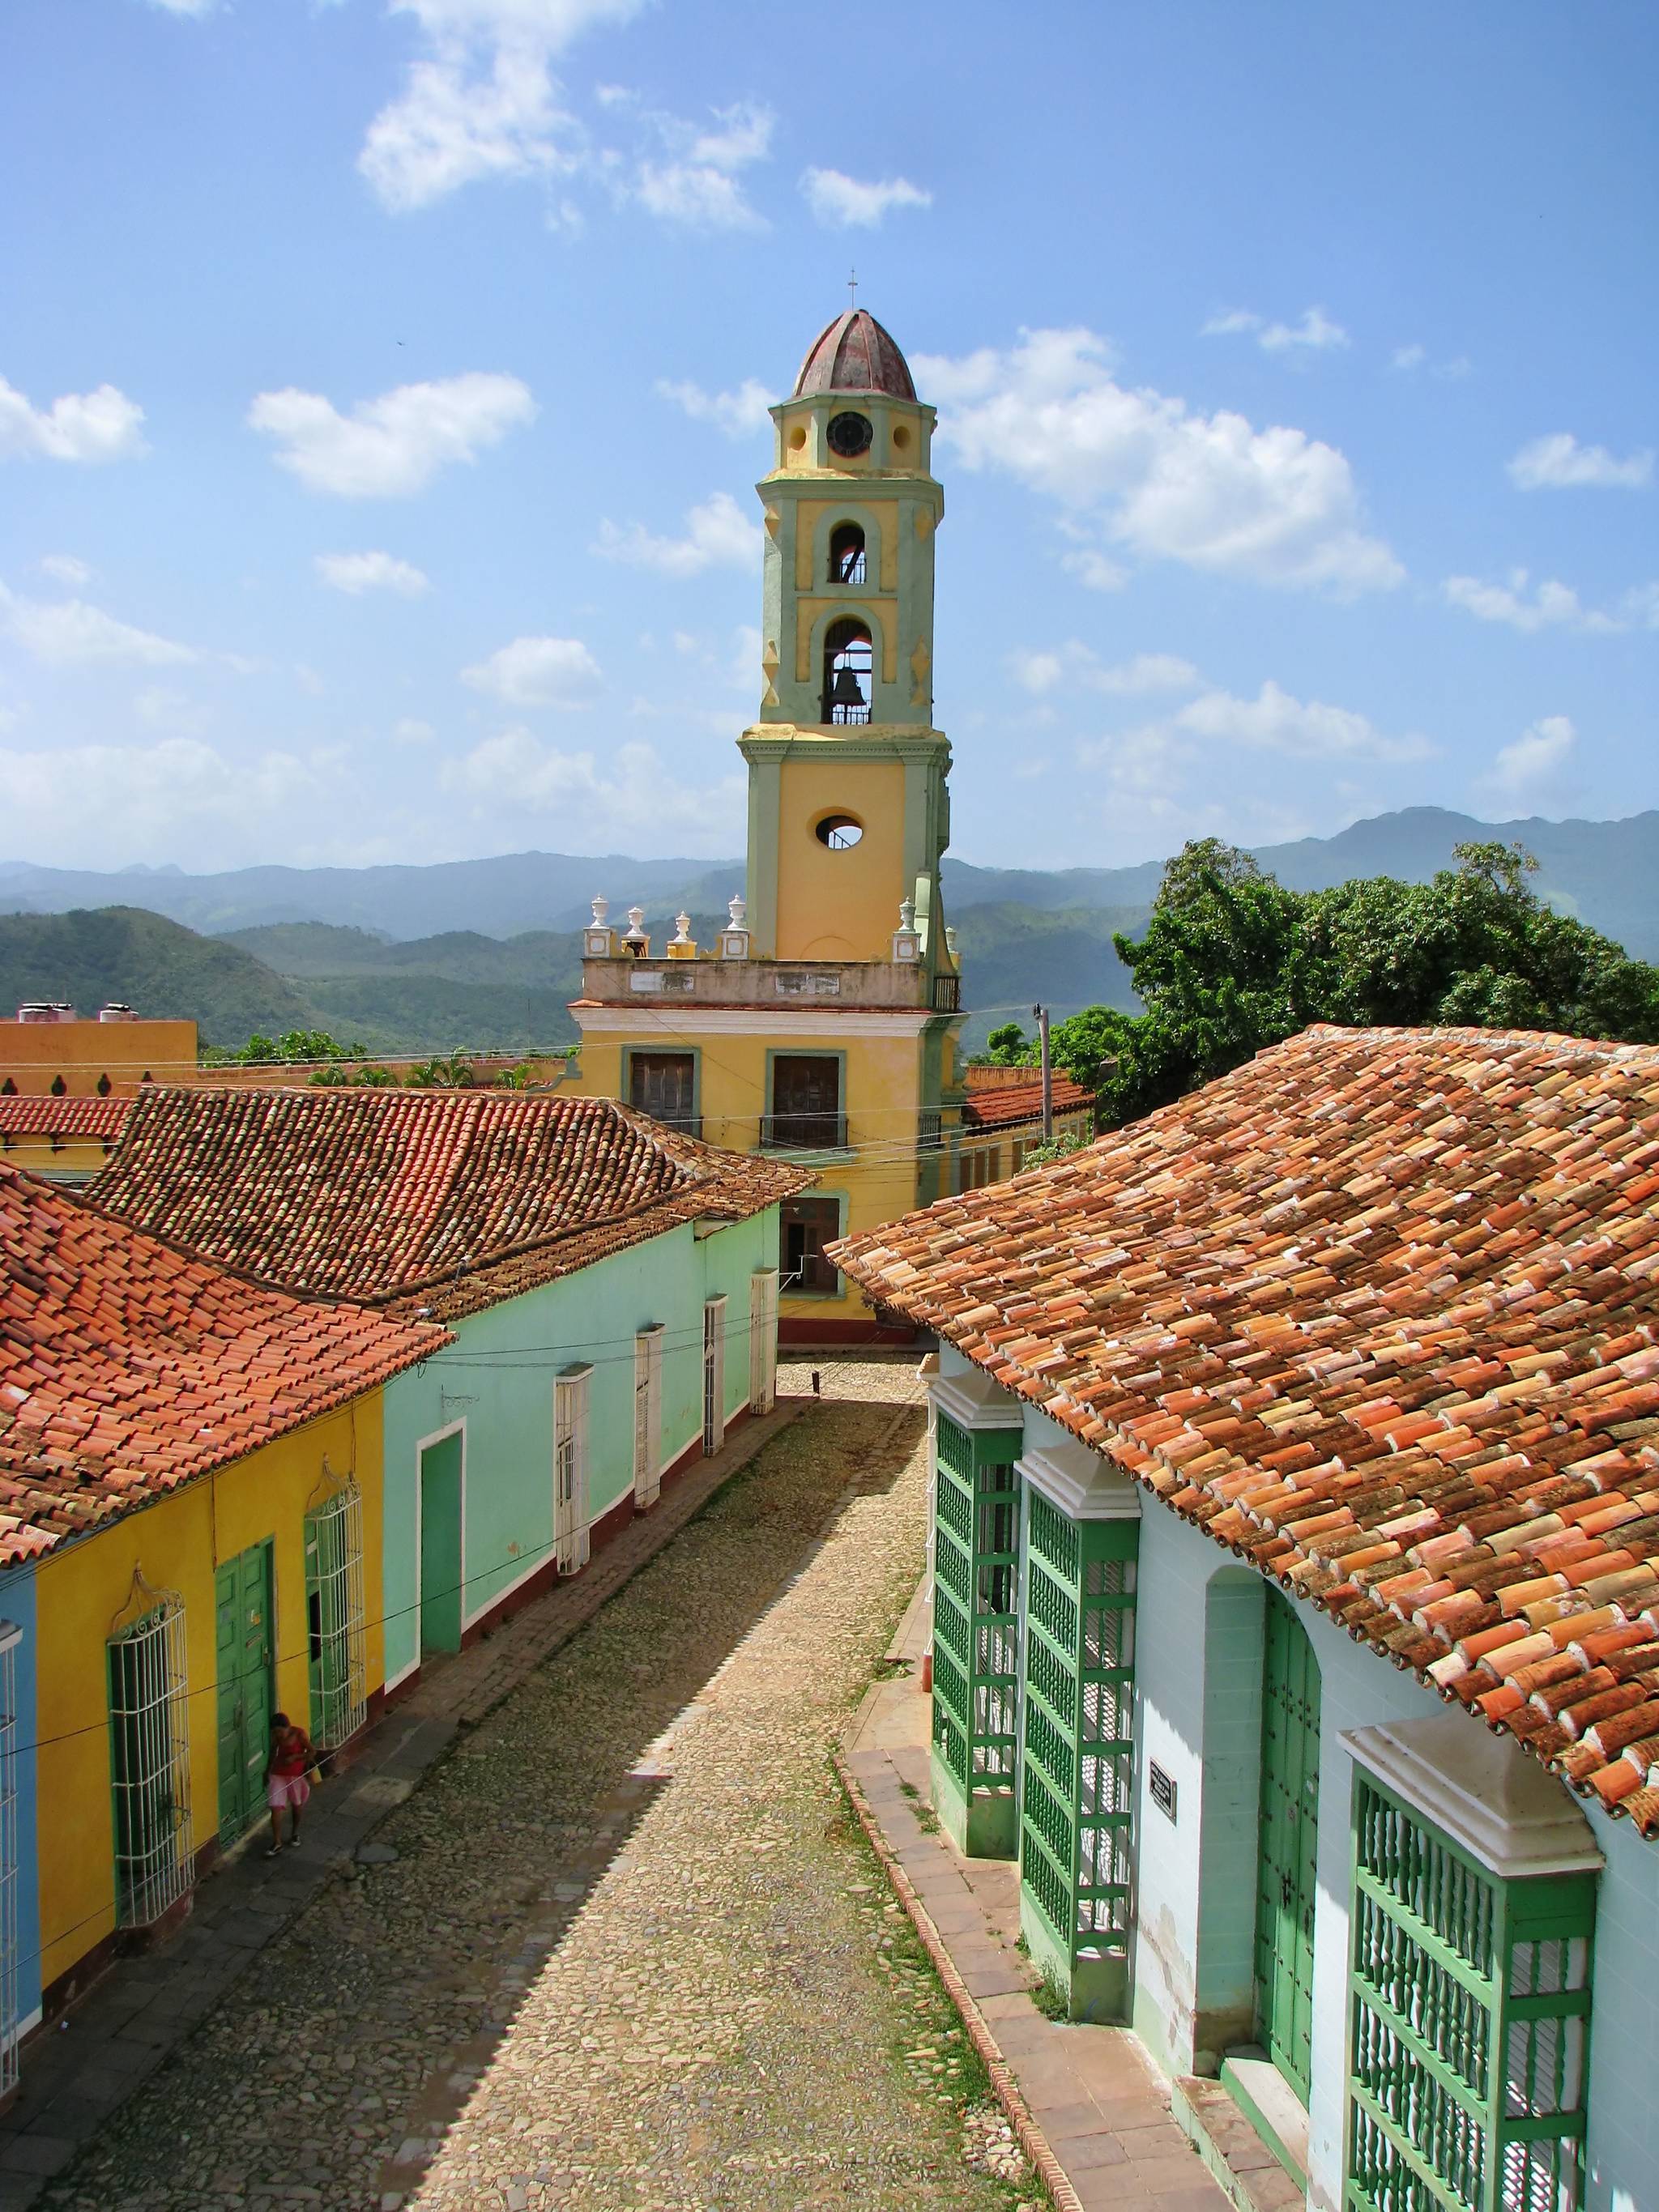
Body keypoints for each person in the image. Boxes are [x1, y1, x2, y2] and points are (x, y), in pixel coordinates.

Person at [265, 1711, 312, 1855]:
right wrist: (267, 1771)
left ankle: (294, 1833)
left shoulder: (299, 1734)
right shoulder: (276, 1737)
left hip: (295, 1775)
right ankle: (277, 1842)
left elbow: (312, 1751)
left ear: (288, 1728)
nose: (279, 1735)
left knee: (297, 1806)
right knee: (275, 1807)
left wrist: (295, 1757)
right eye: (275, 1732)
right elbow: (273, 1753)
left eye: (280, 1731)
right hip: (278, 1775)